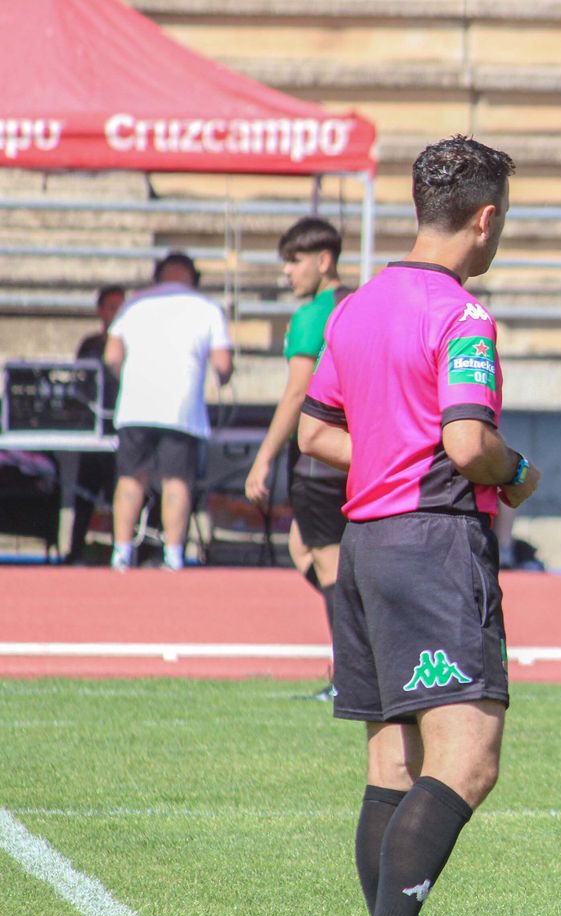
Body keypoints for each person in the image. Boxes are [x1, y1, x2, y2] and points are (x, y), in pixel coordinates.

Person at [299, 134, 537, 916]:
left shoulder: (353, 309)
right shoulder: (463, 317)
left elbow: (317, 434)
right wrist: (516, 473)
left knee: (393, 762)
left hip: (364, 543)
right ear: (485, 220)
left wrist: (394, 453)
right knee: (468, 760)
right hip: (433, 545)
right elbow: (470, 444)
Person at [244, 217, 352, 699]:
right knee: (302, 548)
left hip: (316, 456)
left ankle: (349, 676)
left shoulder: (312, 316)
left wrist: (263, 458)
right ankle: (360, 631)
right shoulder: (355, 304)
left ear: (324, 261)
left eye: (294, 261)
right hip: (348, 450)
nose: (287, 272)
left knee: (329, 566)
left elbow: (296, 395)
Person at [104, 253, 232, 571]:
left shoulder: (134, 304)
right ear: (192, 276)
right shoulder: (207, 308)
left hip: (136, 404)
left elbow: (111, 355)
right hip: (181, 407)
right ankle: (173, 555)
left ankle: (120, 552)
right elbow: (223, 365)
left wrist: (129, 380)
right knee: (177, 480)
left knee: (130, 479)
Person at [66, 284, 125, 562]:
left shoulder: (133, 344)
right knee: (85, 493)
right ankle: (75, 550)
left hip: (123, 429)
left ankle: (122, 550)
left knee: (122, 493)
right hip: (93, 429)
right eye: (112, 307)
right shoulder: (90, 345)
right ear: (100, 311)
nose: (116, 313)